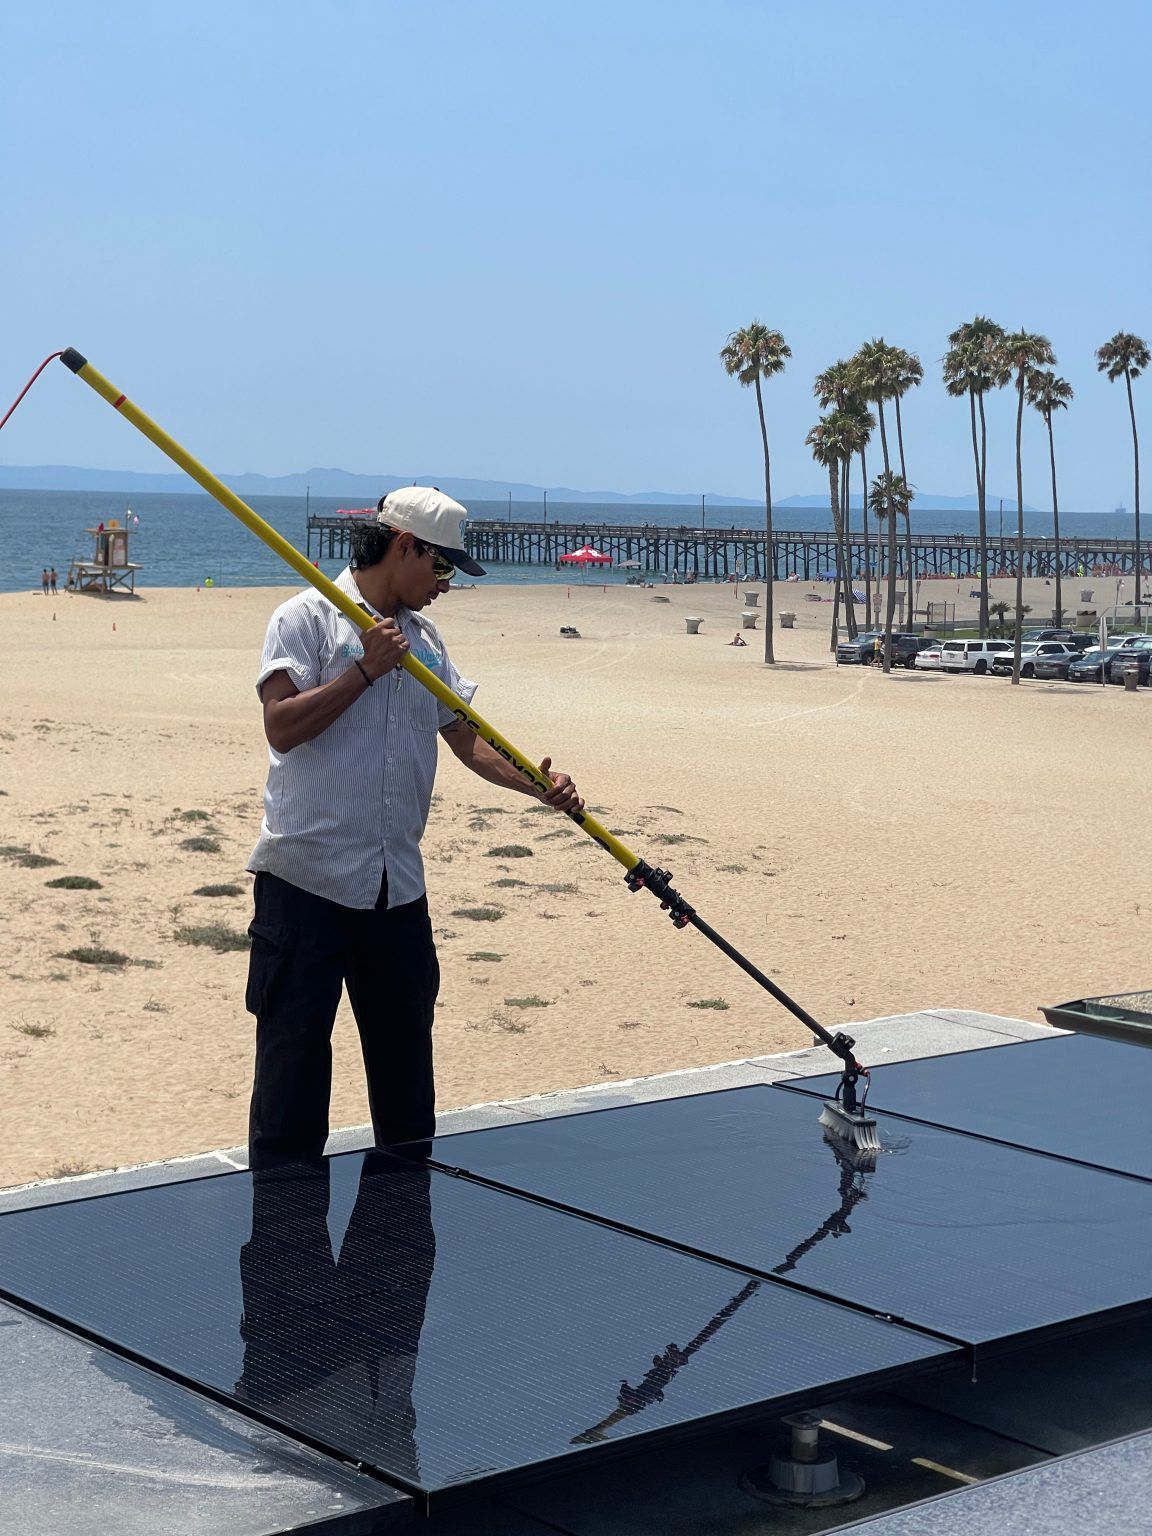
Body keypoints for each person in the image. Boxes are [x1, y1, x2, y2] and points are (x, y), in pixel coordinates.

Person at [245, 487, 582, 1169]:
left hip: (396, 894)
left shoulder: (426, 643)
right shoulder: (304, 619)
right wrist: (364, 670)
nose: (446, 586)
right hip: (303, 888)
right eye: (443, 569)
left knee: (407, 1101)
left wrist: (536, 787)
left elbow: (466, 738)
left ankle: (394, 1265)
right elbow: (281, 728)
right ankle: (285, 1263)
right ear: (405, 547)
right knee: (292, 1095)